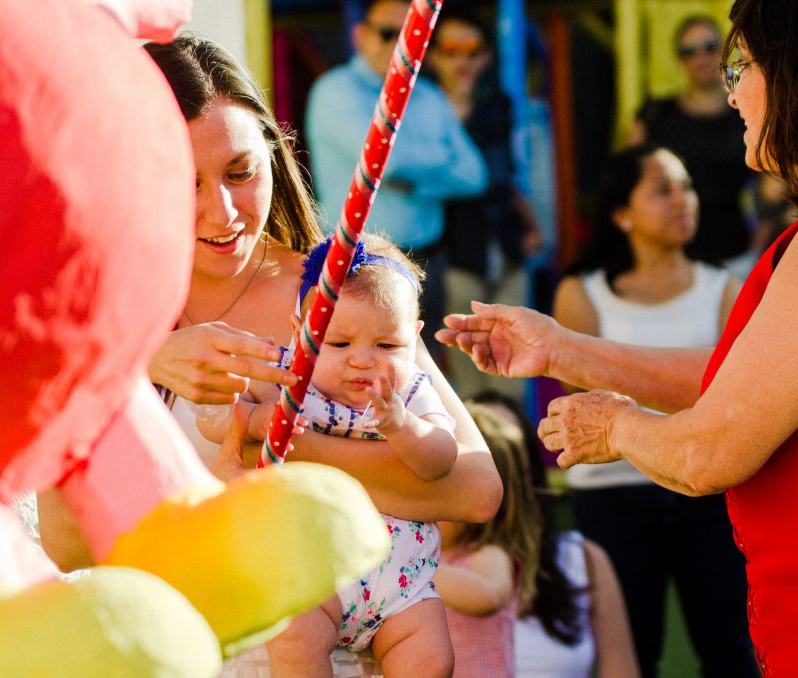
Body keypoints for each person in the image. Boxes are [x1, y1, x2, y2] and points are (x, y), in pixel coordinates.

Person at [439, 0, 798, 674]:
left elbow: (712, 449)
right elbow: (752, 381)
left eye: (741, 65)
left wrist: (616, 428)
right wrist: (564, 349)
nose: (733, 91)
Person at [38, 32, 502, 678]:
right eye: (184, 180)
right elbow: (68, 544)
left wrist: (282, 443)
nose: (220, 210)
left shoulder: (341, 297)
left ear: (274, 159)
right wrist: (130, 369)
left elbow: (476, 492)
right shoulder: (102, 324)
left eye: (240, 172)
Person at [551, 146, 754, 678]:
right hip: (611, 499)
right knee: (628, 655)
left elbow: (738, 399)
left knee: (732, 647)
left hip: (708, 492)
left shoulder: (725, 289)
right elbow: (580, 408)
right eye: (661, 189)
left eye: (685, 186)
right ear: (621, 213)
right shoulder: (580, 295)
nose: (682, 200)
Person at [216, 236, 456, 677]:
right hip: (315, 573)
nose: (362, 362)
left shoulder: (413, 392)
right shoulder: (288, 379)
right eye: (339, 344)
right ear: (299, 333)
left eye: (387, 346)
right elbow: (217, 423)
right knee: (294, 638)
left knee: (431, 657)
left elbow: (441, 461)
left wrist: (403, 427)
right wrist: (254, 420)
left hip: (402, 589)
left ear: (414, 338)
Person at [305, 0, 489, 365]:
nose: (399, 43)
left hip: (428, 260)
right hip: (357, 265)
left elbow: (473, 175)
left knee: (431, 374)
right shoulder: (334, 90)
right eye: (388, 33)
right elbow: (388, 162)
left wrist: (417, 183)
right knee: (359, 378)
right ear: (360, 36)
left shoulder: (430, 95)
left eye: (410, 34)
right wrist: (437, 157)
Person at [467, 391, 640, 678]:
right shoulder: (424, 567)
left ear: (529, 472)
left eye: (506, 451)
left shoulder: (583, 560)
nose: (496, 468)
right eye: (480, 449)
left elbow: (623, 671)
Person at [427, 7, 544, 400]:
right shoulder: (422, 112)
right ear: (433, 55)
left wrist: (532, 227)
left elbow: (500, 179)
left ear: (486, 57)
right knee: (470, 381)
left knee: (513, 375)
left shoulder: (498, 107)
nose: (462, 58)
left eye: (472, 49)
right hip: (455, 257)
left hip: (506, 251)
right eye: (451, 48)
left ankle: (514, 457)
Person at [628, 15, 757, 273]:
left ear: (722, 50)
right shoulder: (657, 114)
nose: (701, 58)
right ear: (679, 59)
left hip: (734, 254)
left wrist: (757, 249)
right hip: (670, 257)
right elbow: (629, 180)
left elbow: (770, 186)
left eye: (709, 47)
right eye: (689, 51)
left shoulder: (744, 111)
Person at [432, 402, 541, 678]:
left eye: (440, 492)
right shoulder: (422, 553)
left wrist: (409, 570)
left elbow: (487, 595)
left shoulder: (489, 554)